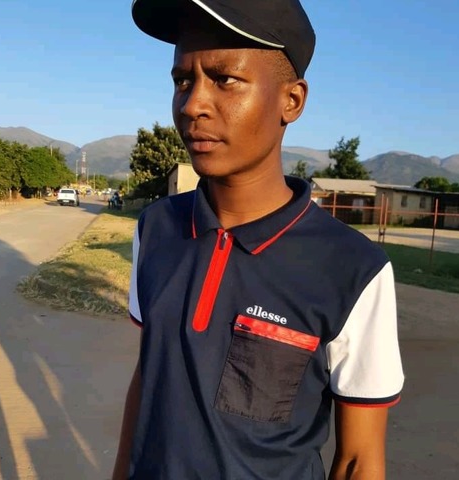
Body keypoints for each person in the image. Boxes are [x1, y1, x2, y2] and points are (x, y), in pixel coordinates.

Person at [112, 1, 404, 479]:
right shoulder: (156, 228)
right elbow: (150, 375)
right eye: (183, 80)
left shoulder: (353, 269)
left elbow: (358, 460)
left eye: (225, 79)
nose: (192, 105)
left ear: (292, 101)